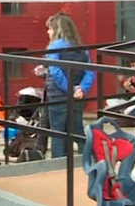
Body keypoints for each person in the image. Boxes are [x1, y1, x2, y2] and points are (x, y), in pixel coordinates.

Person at [39, 13, 94, 158]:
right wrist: (81, 88)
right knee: (78, 131)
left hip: (58, 96)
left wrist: (70, 89)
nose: (48, 32)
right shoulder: (82, 48)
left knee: (58, 133)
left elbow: (55, 71)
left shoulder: (54, 46)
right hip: (77, 96)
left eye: (50, 28)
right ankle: (86, 160)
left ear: (57, 29)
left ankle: (60, 165)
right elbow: (90, 71)